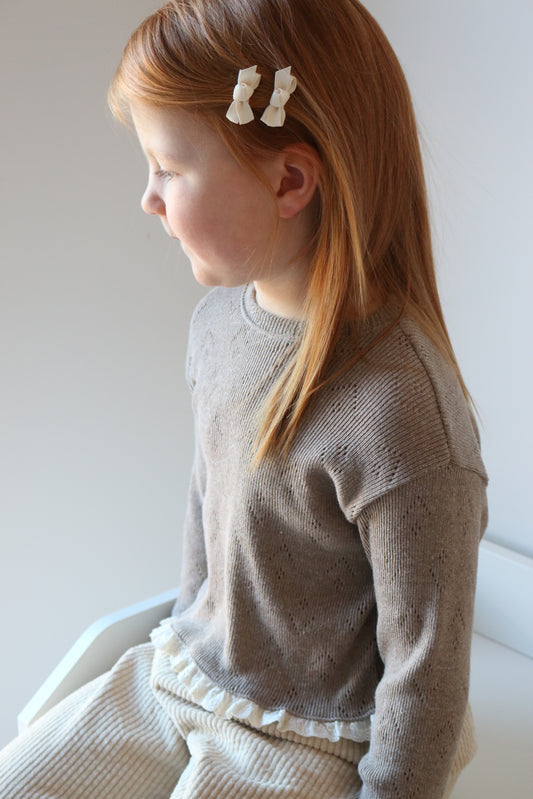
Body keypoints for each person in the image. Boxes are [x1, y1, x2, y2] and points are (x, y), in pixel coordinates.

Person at [0, 1, 488, 797]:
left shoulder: (401, 410)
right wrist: (188, 636)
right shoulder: (217, 327)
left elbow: (428, 671)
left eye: (167, 167)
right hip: (187, 671)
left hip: (312, 731)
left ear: (289, 179)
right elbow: (207, 511)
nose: (148, 199)